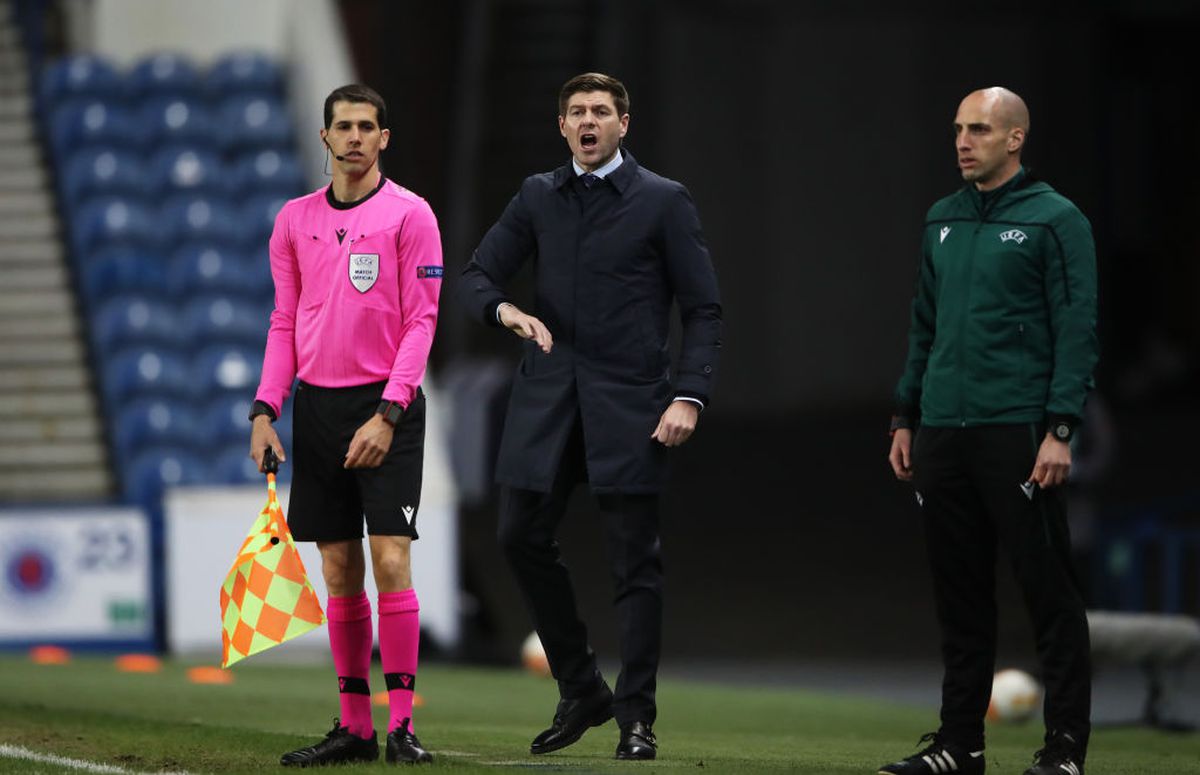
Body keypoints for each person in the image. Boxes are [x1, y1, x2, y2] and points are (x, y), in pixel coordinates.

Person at [459, 72, 721, 760]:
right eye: (576, 111)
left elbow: (703, 309)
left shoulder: (663, 200)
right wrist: (506, 309)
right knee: (517, 533)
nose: (588, 120)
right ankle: (581, 686)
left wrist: (688, 394)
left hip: (631, 402)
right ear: (562, 125)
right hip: (548, 398)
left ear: (623, 123)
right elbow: (477, 276)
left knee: (635, 563)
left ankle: (637, 716)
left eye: (601, 111)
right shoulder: (539, 195)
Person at [882, 87, 1098, 775]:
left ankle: (1064, 750)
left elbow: (1077, 328)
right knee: (959, 593)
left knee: (1049, 594)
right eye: (957, 129)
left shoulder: (1057, 220)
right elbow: (925, 325)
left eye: (978, 129)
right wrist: (906, 414)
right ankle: (958, 745)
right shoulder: (941, 219)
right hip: (944, 429)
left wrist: (1060, 428)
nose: (962, 141)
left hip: (1019, 429)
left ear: (1015, 138)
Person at [248, 84, 441, 767]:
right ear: (325, 138)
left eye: (367, 126)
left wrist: (390, 413)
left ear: (383, 137)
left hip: (386, 405)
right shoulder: (293, 220)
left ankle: (404, 724)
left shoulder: (410, 215)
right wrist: (266, 409)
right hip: (318, 407)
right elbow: (282, 321)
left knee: (390, 556)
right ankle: (355, 727)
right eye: (343, 126)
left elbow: (421, 320)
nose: (355, 137)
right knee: (336, 566)